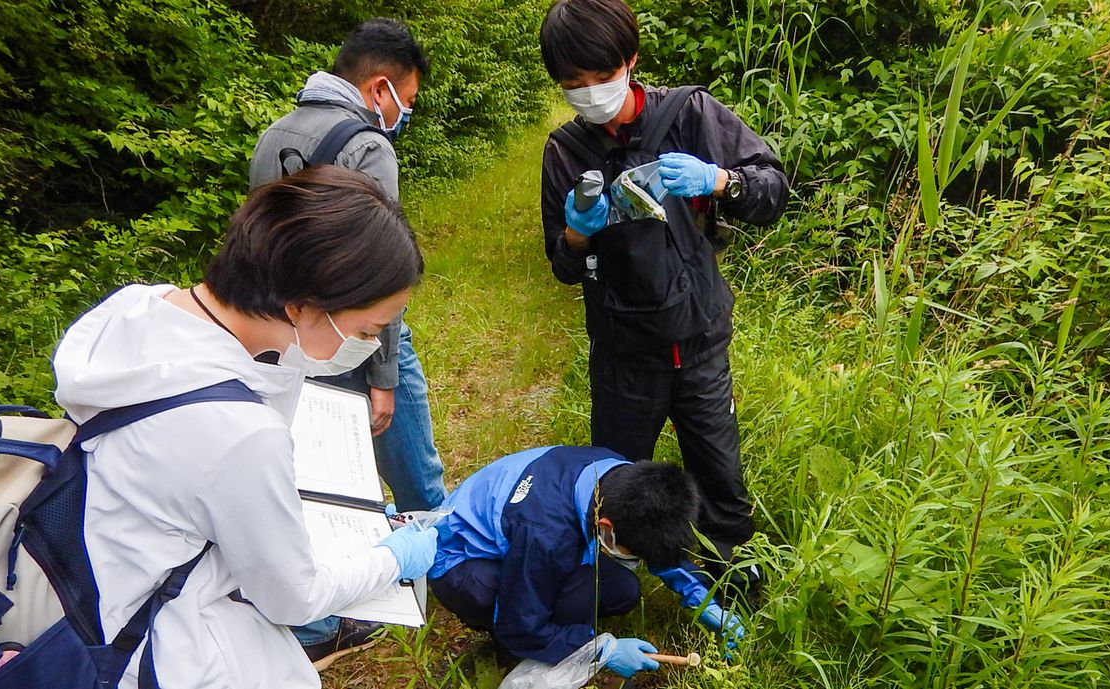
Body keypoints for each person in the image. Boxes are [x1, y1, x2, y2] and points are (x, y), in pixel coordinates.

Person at [51, 166, 439, 689]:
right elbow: (291, 596)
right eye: (367, 330)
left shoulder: (140, 308)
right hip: (172, 644)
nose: (369, 346)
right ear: (301, 305)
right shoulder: (240, 432)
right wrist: (389, 558)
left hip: (97, 584)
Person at [538, 0, 790, 595]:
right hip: (623, 354)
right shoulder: (565, 151)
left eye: (601, 78)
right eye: (573, 85)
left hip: (699, 342)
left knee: (720, 475)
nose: (590, 93)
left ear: (630, 61)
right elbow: (563, 266)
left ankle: (732, 588)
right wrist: (578, 229)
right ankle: (606, 596)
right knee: (613, 479)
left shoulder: (690, 114)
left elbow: (774, 192)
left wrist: (721, 180)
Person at [249, 18, 446, 662]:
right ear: (380, 86)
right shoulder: (369, 146)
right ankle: (441, 566)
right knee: (411, 465)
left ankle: (328, 599)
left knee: (322, 474)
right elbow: (381, 275)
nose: (403, 115)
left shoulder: (275, 133)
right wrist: (384, 375)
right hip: (361, 334)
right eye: (407, 102)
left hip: (296, 333)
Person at [428, 446, 744, 679]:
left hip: (531, 527)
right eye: (633, 554)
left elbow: (658, 539)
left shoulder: (619, 476)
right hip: (460, 557)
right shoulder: (545, 535)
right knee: (505, 608)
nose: (635, 559)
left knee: (621, 589)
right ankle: (513, 647)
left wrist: (705, 601)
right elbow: (519, 626)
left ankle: (555, 628)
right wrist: (601, 651)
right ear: (605, 526)